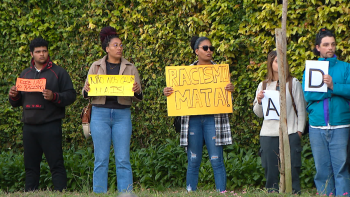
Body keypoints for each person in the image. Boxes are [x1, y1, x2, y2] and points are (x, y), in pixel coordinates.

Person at [163, 36, 233, 192]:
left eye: (211, 48)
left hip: (213, 119)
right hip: (193, 120)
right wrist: (168, 92)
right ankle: (190, 191)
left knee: (217, 159)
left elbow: (225, 99)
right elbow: (177, 95)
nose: (209, 51)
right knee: (193, 160)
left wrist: (230, 90)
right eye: (205, 48)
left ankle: (222, 192)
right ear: (196, 51)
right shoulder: (184, 73)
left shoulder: (220, 72)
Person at [8, 37, 76, 191]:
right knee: (30, 167)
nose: (42, 54)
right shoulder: (25, 74)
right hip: (29, 127)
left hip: (50, 125)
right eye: (38, 52)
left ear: (48, 52)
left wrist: (55, 97)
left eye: (44, 51)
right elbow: (17, 102)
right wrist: (14, 96)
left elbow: (71, 95)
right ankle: (30, 193)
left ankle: (61, 193)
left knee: (56, 164)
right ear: (32, 54)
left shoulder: (58, 72)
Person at [82, 26, 142, 193]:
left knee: (123, 159)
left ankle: (126, 193)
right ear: (107, 48)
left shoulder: (130, 67)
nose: (119, 48)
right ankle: (99, 192)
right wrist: (86, 89)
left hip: (122, 114)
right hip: (100, 114)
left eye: (121, 45)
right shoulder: (95, 66)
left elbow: (138, 95)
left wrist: (137, 90)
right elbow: (85, 92)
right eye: (116, 45)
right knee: (101, 159)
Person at [303, 28, 350, 196]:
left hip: (340, 125)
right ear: (318, 47)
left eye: (332, 44)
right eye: (326, 45)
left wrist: (333, 86)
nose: (330, 48)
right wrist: (332, 90)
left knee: (341, 170)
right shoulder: (310, 68)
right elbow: (308, 94)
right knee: (322, 171)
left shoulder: (346, 68)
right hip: (317, 126)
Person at [253, 51, 306, 194]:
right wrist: (259, 101)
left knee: (292, 169)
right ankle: (272, 193)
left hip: (290, 132)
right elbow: (259, 114)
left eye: (283, 60)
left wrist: (298, 132)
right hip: (268, 133)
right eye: (277, 61)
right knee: (270, 170)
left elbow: (301, 109)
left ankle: (294, 193)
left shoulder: (293, 83)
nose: (280, 63)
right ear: (270, 63)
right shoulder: (263, 85)